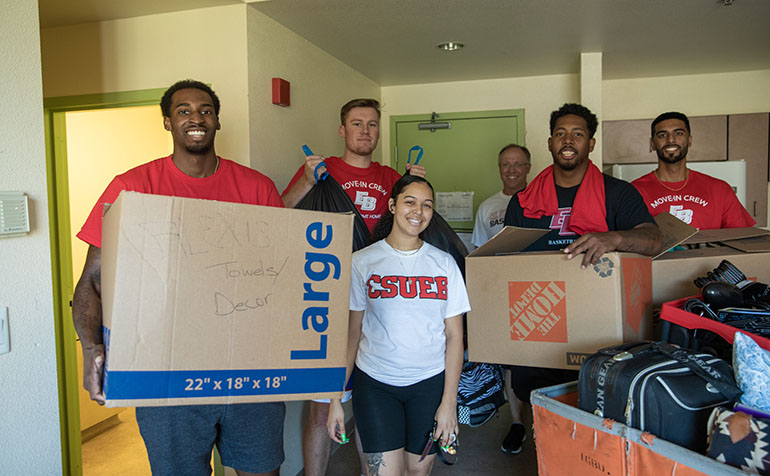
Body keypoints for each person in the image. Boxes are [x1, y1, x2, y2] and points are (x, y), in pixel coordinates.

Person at [72, 79, 286, 476]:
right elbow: (92, 281)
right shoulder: (131, 188)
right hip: (163, 372)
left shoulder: (257, 187)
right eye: (183, 110)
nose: (196, 118)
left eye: (205, 110)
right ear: (168, 122)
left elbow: (280, 280)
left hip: (247, 367)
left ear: (217, 121)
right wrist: (91, 351)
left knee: (262, 470)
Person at [282, 98, 425, 476]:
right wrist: (305, 182)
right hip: (326, 299)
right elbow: (279, 215)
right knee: (321, 404)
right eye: (357, 123)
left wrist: (416, 185)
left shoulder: (392, 176)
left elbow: (413, 222)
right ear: (342, 130)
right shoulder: (320, 169)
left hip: (379, 301)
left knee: (368, 403)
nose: (366, 131)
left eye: (373, 124)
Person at [503, 103, 663, 403]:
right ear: (550, 143)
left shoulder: (618, 192)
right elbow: (507, 262)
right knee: (535, 397)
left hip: (599, 326)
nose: (567, 140)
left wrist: (614, 238)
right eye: (560, 133)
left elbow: (654, 240)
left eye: (577, 134)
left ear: (590, 143)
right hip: (538, 321)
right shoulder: (523, 201)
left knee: (596, 399)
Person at [327, 175, 470, 476]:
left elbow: (455, 336)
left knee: (417, 471)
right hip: (376, 384)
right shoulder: (362, 262)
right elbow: (352, 333)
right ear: (392, 205)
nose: (418, 211)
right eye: (410, 201)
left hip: (429, 383)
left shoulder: (444, 264)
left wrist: (449, 403)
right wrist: (335, 399)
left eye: (427, 205)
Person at [470, 144, 531, 455]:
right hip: (500, 294)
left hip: (537, 291)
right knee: (510, 362)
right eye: (505, 164)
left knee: (540, 359)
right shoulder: (487, 207)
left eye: (518, 164)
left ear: (528, 168)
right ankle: (518, 423)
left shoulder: (539, 201)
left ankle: (549, 422)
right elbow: (478, 254)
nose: (511, 170)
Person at [631, 111, 755, 229]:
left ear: (689, 140)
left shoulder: (719, 190)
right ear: (652, 143)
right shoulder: (634, 192)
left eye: (678, 133)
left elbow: (740, 238)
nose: (670, 140)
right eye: (662, 135)